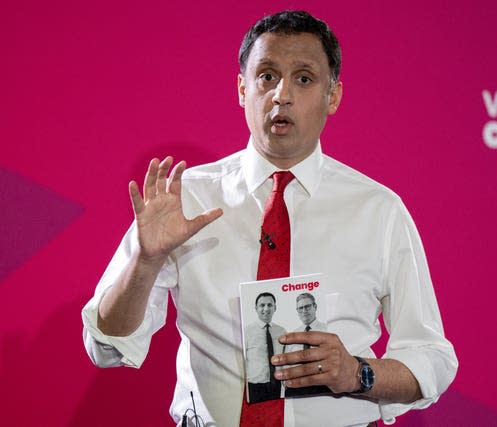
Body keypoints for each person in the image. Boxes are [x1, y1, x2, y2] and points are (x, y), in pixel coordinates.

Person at [81, 10, 457, 427]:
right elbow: (107, 347)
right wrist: (145, 262)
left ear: (332, 96)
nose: (282, 94)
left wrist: (356, 372)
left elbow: (431, 358)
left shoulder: (379, 210)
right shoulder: (185, 197)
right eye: (266, 76)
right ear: (243, 89)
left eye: (303, 78)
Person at [245, 292, 286, 402]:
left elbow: (285, 358)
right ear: (256, 308)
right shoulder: (246, 331)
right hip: (254, 386)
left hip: (276, 385)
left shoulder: (281, 331)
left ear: (275, 308)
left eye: (270, 305)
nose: (266, 309)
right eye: (262, 305)